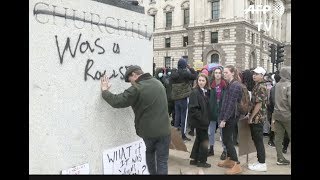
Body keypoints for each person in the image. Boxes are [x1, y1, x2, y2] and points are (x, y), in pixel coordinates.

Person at [100, 65, 171, 174]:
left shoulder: (137, 88)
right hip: (165, 131)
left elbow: (117, 101)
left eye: (130, 80)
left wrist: (105, 91)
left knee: (150, 157)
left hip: (149, 133)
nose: (131, 83)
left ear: (134, 75)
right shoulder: (158, 83)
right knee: (162, 161)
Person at [217, 65, 243, 175]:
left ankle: (236, 164)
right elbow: (226, 102)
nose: (224, 74)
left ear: (232, 73)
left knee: (228, 140)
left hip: (231, 117)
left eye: (226, 72)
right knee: (226, 140)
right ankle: (230, 160)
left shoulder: (235, 85)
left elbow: (231, 105)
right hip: (228, 116)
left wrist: (224, 119)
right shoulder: (230, 84)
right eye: (224, 72)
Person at [171, 58, 197, 141]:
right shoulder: (185, 73)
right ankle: (183, 135)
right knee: (184, 117)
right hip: (184, 98)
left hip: (176, 98)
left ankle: (175, 134)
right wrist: (191, 68)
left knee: (177, 116)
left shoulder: (174, 73)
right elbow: (195, 76)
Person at [247, 67, 268, 172]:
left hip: (257, 118)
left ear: (262, 76)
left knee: (258, 140)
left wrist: (251, 117)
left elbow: (258, 104)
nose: (254, 75)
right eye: (254, 73)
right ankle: (260, 161)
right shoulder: (258, 85)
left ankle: (262, 163)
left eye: (257, 74)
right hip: (256, 118)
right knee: (257, 140)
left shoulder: (261, 87)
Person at [188, 73, 211, 168]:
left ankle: (195, 159)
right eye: (199, 80)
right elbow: (193, 109)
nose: (201, 82)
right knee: (204, 141)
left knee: (199, 139)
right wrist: (202, 119)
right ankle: (202, 161)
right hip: (200, 122)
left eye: (203, 80)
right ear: (197, 81)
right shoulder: (195, 92)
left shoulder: (204, 91)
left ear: (206, 82)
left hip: (203, 120)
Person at [273, 66, 291, 165]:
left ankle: (280, 158)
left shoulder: (277, 85)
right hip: (288, 115)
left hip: (277, 114)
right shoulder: (289, 85)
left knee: (278, 138)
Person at [208, 67, 227, 158]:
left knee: (222, 132)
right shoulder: (211, 85)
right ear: (213, 74)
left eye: (219, 72)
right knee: (211, 132)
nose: (217, 74)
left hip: (222, 110)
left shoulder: (225, 85)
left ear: (221, 74)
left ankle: (225, 150)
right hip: (212, 110)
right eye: (216, 72)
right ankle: (211, 148)